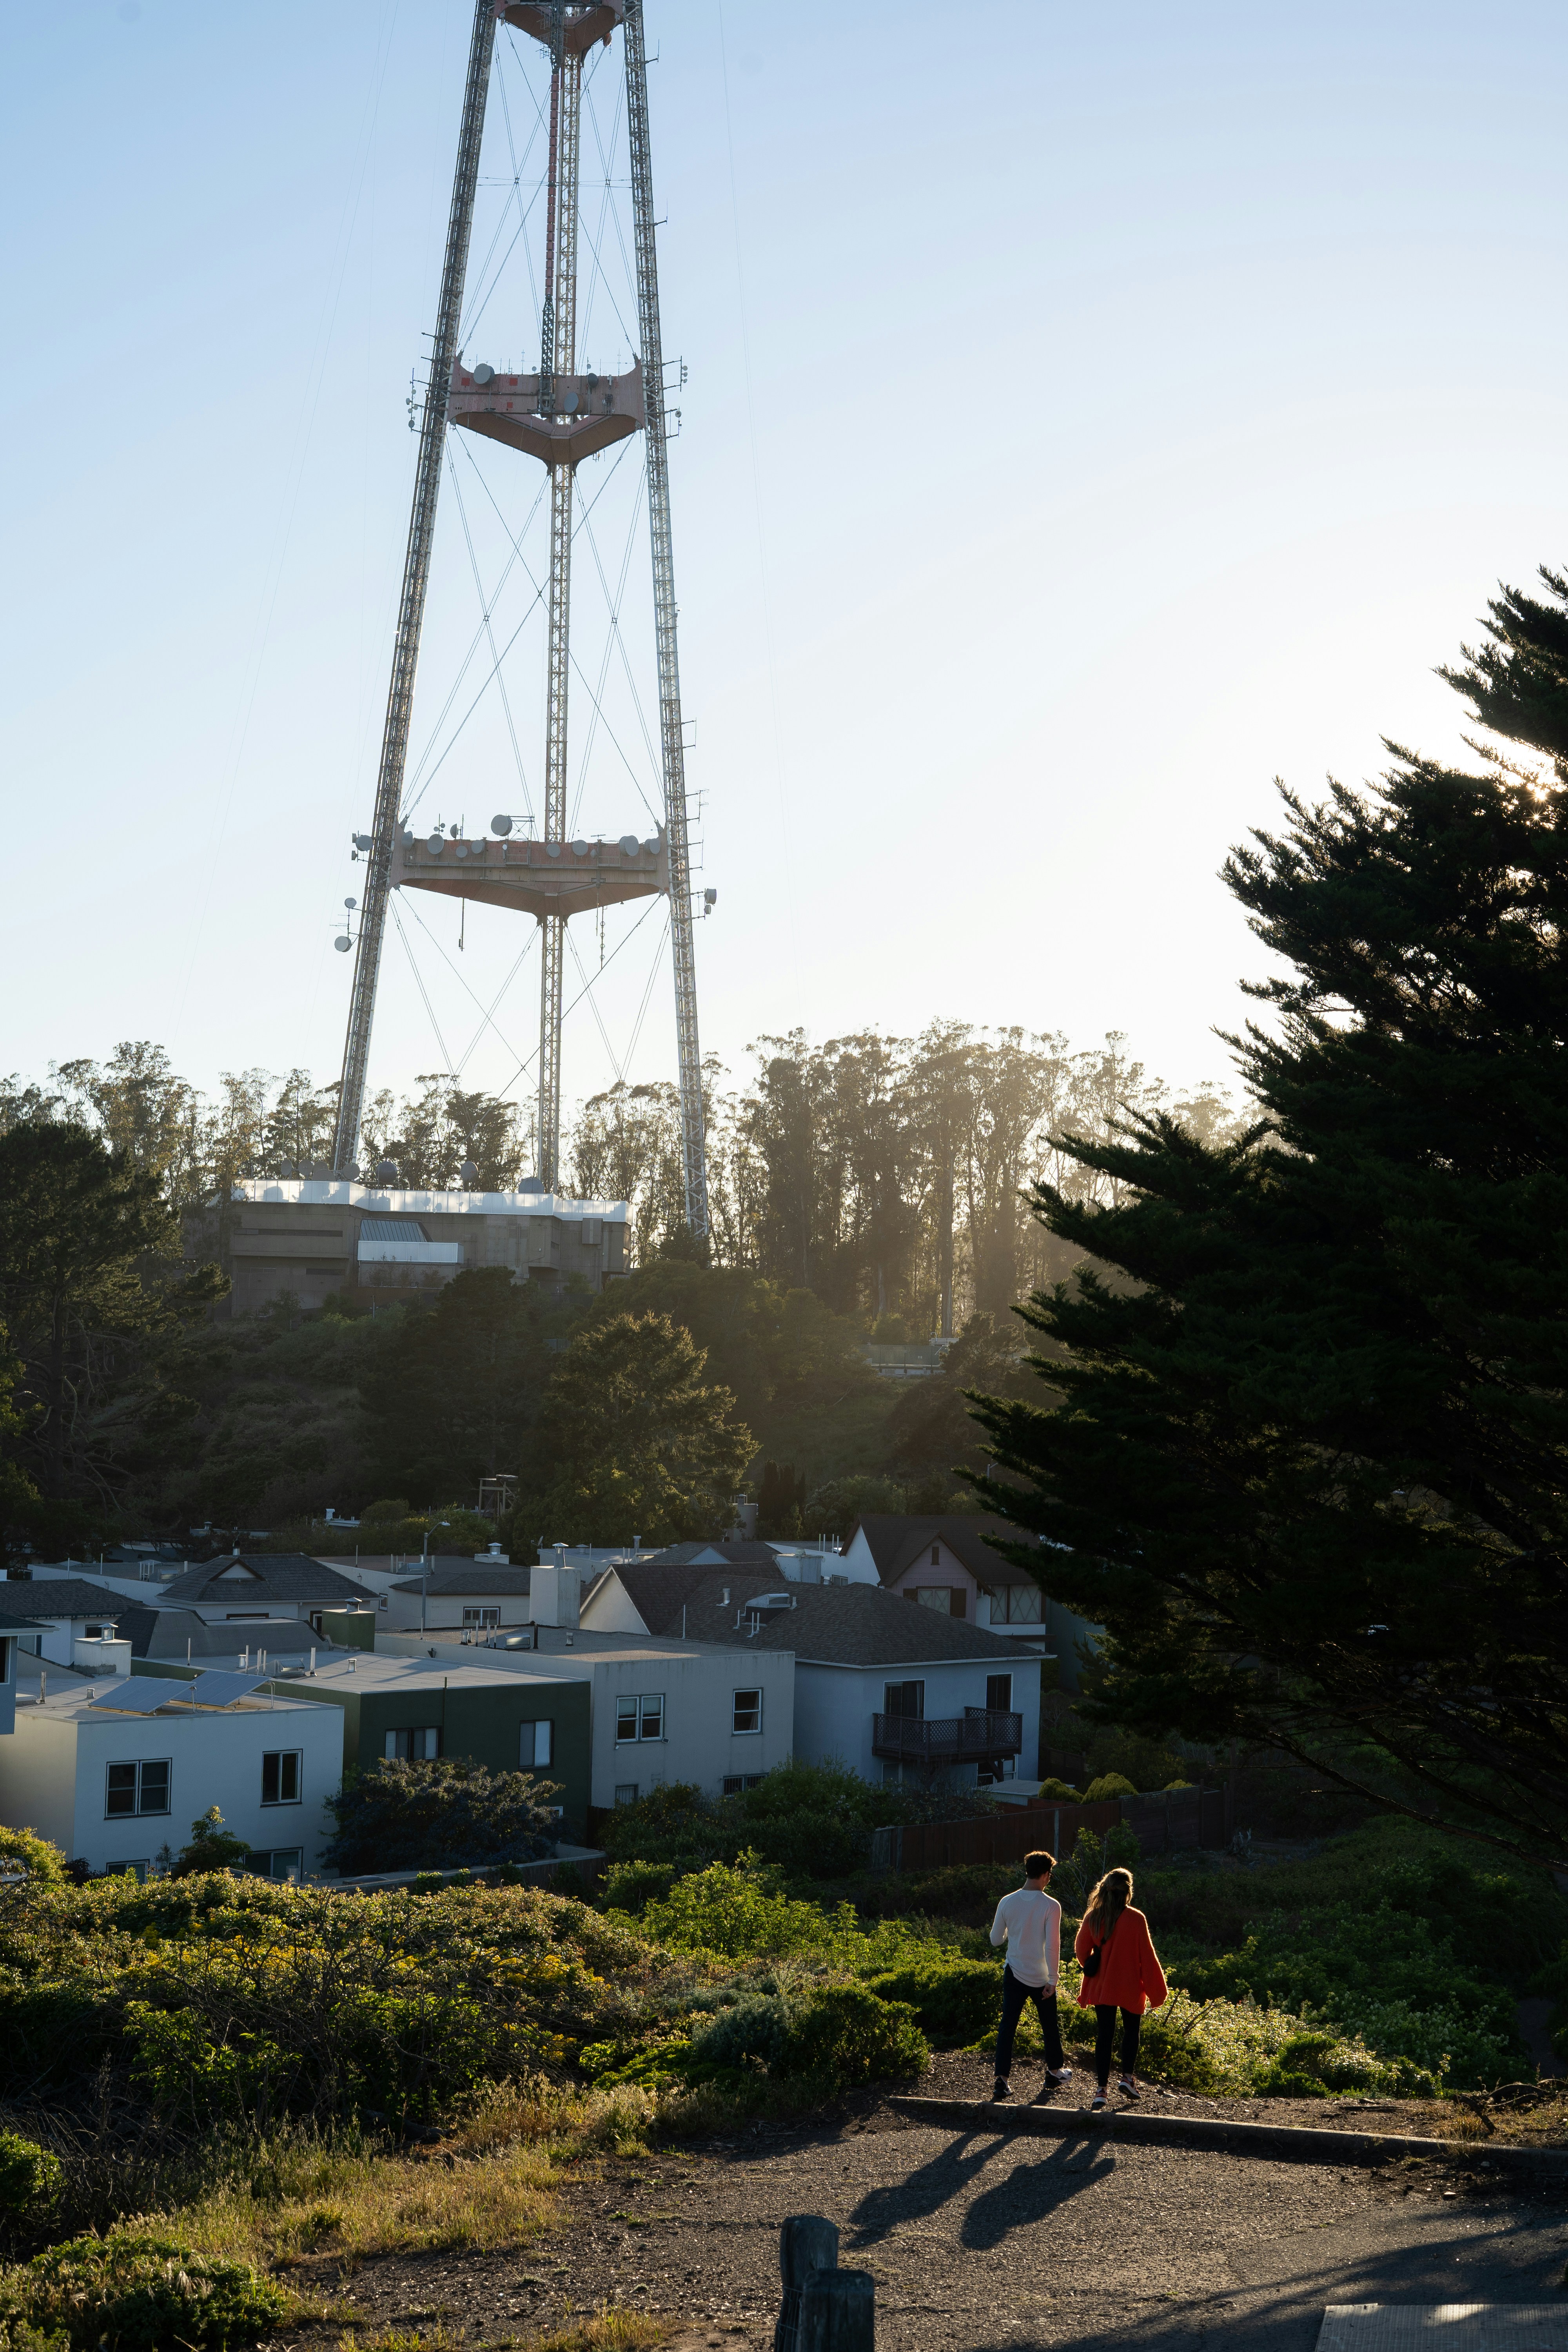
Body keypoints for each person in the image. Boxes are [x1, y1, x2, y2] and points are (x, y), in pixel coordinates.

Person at [1073, 1865, 1168, 2112]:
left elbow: (1082, 1952)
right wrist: (1157, 1991)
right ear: (1128, 1892)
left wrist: (1098, 1965)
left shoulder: (1093, 1917)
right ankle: (1127, 2078)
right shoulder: (1137, 1919)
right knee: (1131, 2032)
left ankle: (1101, 2092)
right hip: (1129, 1985)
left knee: (1105, 2035)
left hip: (1103, 1985)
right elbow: (1147, 1957)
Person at [988, 1849, 1073, 2101]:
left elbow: (995, 1940)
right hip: (1040, 1977)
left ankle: (1001, 2081)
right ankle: (1054, 2071)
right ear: (1046, 1874)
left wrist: (1011, 1935)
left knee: (1008, 2026)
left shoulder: (1007, 1901)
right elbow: (1052, 1946)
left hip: (1013, 1973)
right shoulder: (1051, 1906)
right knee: (1049, 2025)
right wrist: (1053, 1980)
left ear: (1028, 1871)